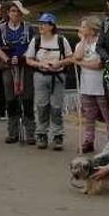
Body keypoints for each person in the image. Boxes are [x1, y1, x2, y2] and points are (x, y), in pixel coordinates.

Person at [25, 12, 73, 150]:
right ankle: (41, 134)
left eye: (44, 24)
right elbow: (29, 60)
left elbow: (71, 58)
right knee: (41, 106)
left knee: (56, 107)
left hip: (58, 77)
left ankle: (58, 135)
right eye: (40, 24)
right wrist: (41, 65)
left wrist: (59, 63)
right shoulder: (36, 40)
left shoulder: (61, 40)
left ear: (52, 26)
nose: (41, 26)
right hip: (40, 76)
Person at [0, 0, 37, 145]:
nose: (16, 14)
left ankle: (30, 133)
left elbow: (33, 46)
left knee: (27, 98)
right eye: (13, 11)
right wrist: (7, 60)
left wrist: (22, 57)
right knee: (10, 99)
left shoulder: (29, 28)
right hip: (7, 66)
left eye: (18, 11)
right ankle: (12, 132)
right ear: (8, 13)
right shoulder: (1, 28)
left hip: (25, 65)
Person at [74, 16, 109, 153]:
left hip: (101, 87)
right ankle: (89, 141)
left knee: (108, 117)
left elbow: (99, 64)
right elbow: (77, 56)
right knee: (89, 116)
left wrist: (81, 63)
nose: (80, 29)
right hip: (86, 86)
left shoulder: (100, 44)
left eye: (83, 27)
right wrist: (83, 39)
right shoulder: (81, 44)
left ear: (91, 29)